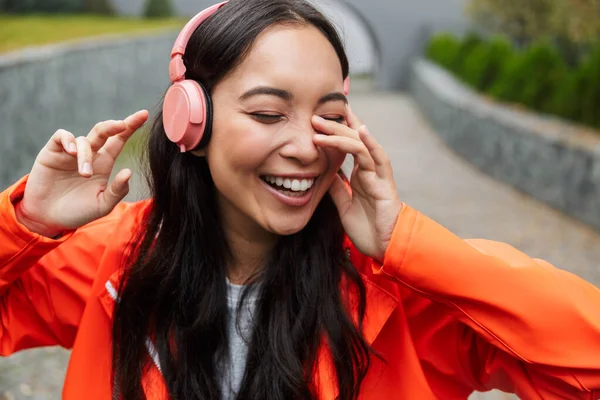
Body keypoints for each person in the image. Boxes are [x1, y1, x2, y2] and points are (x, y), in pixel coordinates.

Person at [1, 0, 599, 399]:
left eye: (329, 117)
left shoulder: (403, 291)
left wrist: (408, 246)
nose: (306, 147)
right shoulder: (116, 262)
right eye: (268, 113)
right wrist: (28, 223)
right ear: (193, 122)